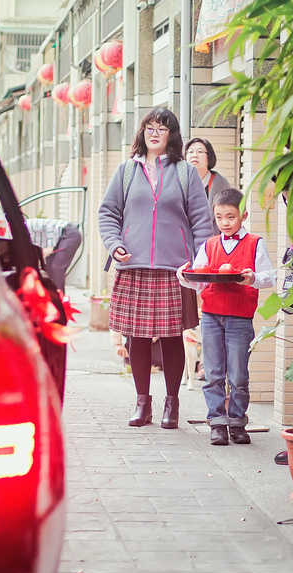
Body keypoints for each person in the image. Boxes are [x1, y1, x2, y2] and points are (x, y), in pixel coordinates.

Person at [98, 108, 214, 429]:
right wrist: (115, 243)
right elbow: (108, 213)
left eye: (161, 129)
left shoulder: (185, 173)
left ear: (171, 135)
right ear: (142, 133)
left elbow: (201, 222)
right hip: (132, 265)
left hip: (173, 268)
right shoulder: (125, 171)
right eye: (149, 127)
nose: (154, 133)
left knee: (171, 337)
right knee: (136, 336)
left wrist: (199, 263)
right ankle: (142, 402)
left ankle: (172, 404)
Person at [176, 188, 276, 445]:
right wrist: (184, 277)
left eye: (230, 217)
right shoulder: (209, 244)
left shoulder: (255, 243)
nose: (225, 223)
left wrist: (252, 277)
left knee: (239, 375)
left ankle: (237, 422)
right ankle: (217, 423)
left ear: (243, 215)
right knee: (213, 373)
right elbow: (200, 280)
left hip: (240, 318)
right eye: (219, 217)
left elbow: (269, 277)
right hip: (211, 316)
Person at [185, 138, 232, 235]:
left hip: (213, 240)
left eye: (200, 151)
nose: (194, 155)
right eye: (190, 152)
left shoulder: (221, 184)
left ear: (209, 157)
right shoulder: (179, 181)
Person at [25, 216, 82, 291]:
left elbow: (49, 224)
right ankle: (52, 295)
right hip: (58, 240)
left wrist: (50, 245)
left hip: (68, 233)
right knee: (48, 269)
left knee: (56, 266)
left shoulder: (28, 225)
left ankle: (59, 296)